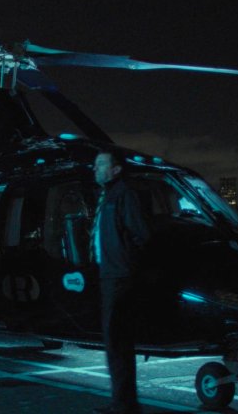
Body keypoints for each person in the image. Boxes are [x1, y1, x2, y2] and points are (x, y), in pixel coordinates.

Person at [91, 151, 151, 414]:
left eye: (101, 164)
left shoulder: (122, 195)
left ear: (116, 170)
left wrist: (127, 266)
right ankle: (124, 401)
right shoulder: (108, 197)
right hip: (111, 275)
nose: (95, 169)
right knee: (116, 341)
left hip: (119, 277)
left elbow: (141, 235)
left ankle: (123, 404)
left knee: (117, 342)